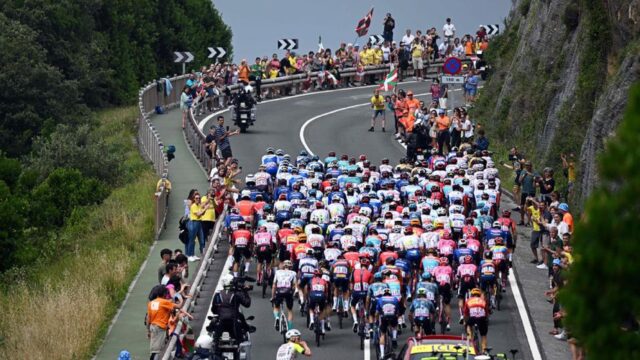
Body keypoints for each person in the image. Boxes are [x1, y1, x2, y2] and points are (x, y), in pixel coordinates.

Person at [147, 285, 192, 360]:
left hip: (153, 327)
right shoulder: (164, 302)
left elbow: (149, 318)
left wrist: (148, 330)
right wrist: (181, 299)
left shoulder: (151, 303)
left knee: (154, 349)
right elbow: (179, 306)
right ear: (163, 293)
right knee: (157, 351)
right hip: (160, 328)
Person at [209, 274, 252, 344]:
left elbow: (213, 310)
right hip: (234, 323)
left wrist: (221, 311)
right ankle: (246, 329)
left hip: (221, 322)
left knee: (214, 340)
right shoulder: (236, 294)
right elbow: (247, 304)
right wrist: (245, 291)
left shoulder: (218, 295)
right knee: (241, 340)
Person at [463, 288, 489, 352]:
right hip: (481, 319)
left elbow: (466, 314)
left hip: (473, 318)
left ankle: (469, 338)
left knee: (468, 326)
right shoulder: (483, 301)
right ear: (479, 295)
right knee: (483, 335)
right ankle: (484, 350)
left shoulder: (468, 300)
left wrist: (465, 322)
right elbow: (486, 314)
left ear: (472, 295)